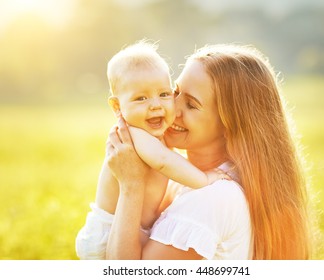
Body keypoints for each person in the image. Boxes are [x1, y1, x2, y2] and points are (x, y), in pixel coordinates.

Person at [76, 42, 311, 260]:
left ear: (230, 125)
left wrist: (131, 185)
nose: (169, 108)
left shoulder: (212, 196)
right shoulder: (190, 181)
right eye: (175, 92)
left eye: (191, 104)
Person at [75, 41, 228, 259]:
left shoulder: (153, 131)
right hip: (107, 233)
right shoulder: (135, 136)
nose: (155, 105)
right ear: (117, 107)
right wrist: (205, 178)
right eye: (141, 98)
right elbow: (165, 161)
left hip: (137, 228)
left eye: (165, 94)